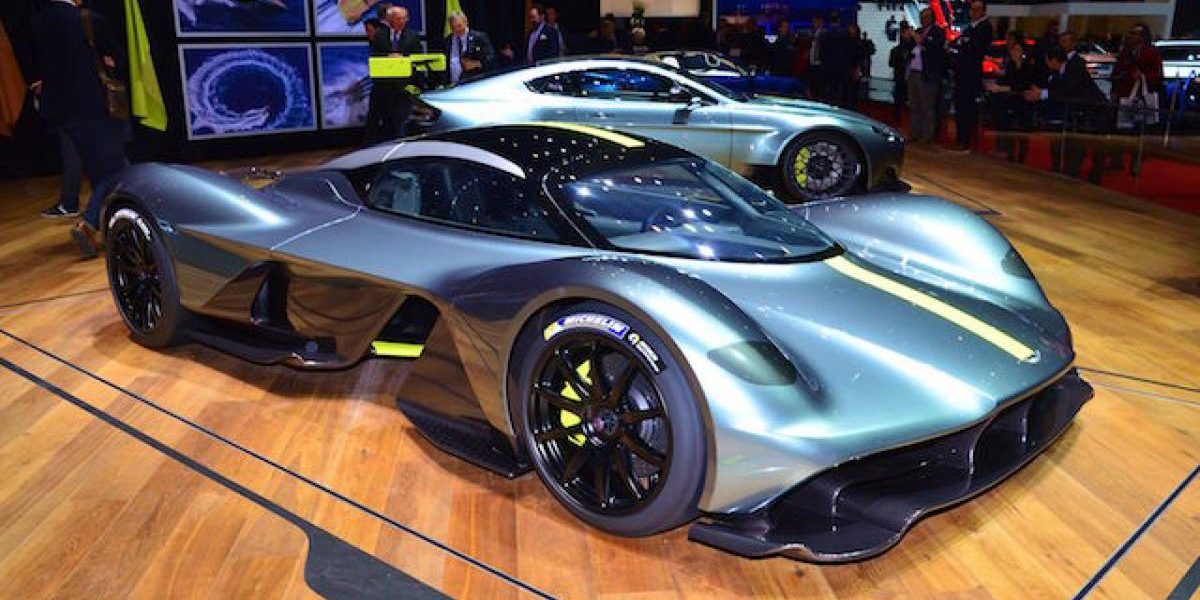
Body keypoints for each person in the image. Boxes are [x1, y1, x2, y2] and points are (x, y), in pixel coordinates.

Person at [31, 0, 130, 257]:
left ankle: (112, 228)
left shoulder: (38, 23)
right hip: (97, 107)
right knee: (115, 170)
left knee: (102, 171)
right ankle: (89, 224)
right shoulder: (89, 20)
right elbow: (117, 60)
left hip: (63, 113)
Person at [1025, 46, 1108, 181]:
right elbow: (1056, 89)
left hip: (1096, 112)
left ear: (1053, 60)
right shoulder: (1060, 72)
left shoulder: (1074, 69)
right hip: (1081, 114)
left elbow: (1067, 91)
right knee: (1077, 146)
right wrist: (1040, 92)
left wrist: (1041, 94)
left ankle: (1088, 177)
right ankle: (1072, 174)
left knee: (1091, 148)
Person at [365, 5, 420, 144]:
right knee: (378, 120)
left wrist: (403, 58)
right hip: (383, 86)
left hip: (403, 87)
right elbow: (374, 57)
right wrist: (387, 58)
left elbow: (417, 58)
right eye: (399, 18)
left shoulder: (413, 36)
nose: (403, 21)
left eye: (405, 18)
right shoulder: (379, 35)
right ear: (390, 20)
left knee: (400, 122)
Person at [985, 36, 1036, 162]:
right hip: (1010, 102)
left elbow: (1022, 86)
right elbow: (1007, 80)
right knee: (1008, 127)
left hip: (1024, 104)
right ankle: (1009, 154)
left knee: (1021, 131)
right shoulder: (1011, 65)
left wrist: (1001, 88)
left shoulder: (1029, 67)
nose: (1014, 52)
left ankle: (1021, 157)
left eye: (1017, 50)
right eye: (1013, 50)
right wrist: (996, 86)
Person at [951, 0, 992, 153]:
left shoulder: (985, 27)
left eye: (977, 9)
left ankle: (966, 141)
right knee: (960, 106)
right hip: (961, 73)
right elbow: (957, 43)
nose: (973, 12)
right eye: (972, 9)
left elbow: (972, 47)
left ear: (983, 11)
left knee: (968, 108)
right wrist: (961, 43)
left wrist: (962, 44)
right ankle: (960, 139)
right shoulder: (969, 28)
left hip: (971, 74)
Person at [907, 8, 946, 145]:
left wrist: (920, 40)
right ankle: (915, 133)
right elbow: (909, 48)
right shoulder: (918, 31)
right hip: (913, 72)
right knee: (914, 105)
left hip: (928, 74)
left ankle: (927, 135)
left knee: (927, 106)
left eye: (926, 17)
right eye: (922, 17)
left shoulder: (938, 32)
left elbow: (935, 49)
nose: (923, 20)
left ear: (932, 18)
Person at [445, 11, 494, 85]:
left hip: (474, 83)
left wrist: (478, 63)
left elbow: (491, 58)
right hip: (453, 85)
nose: (457, 30)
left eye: (459, 26)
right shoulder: (448, 40)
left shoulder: (479, 37)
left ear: (466, 22)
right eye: (453, 28)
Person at [888, 21, 914, 124]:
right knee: (899, 101)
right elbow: (891, 63)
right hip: (901, 78)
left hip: (909, 78)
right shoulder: (896, 50)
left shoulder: (912, 49)